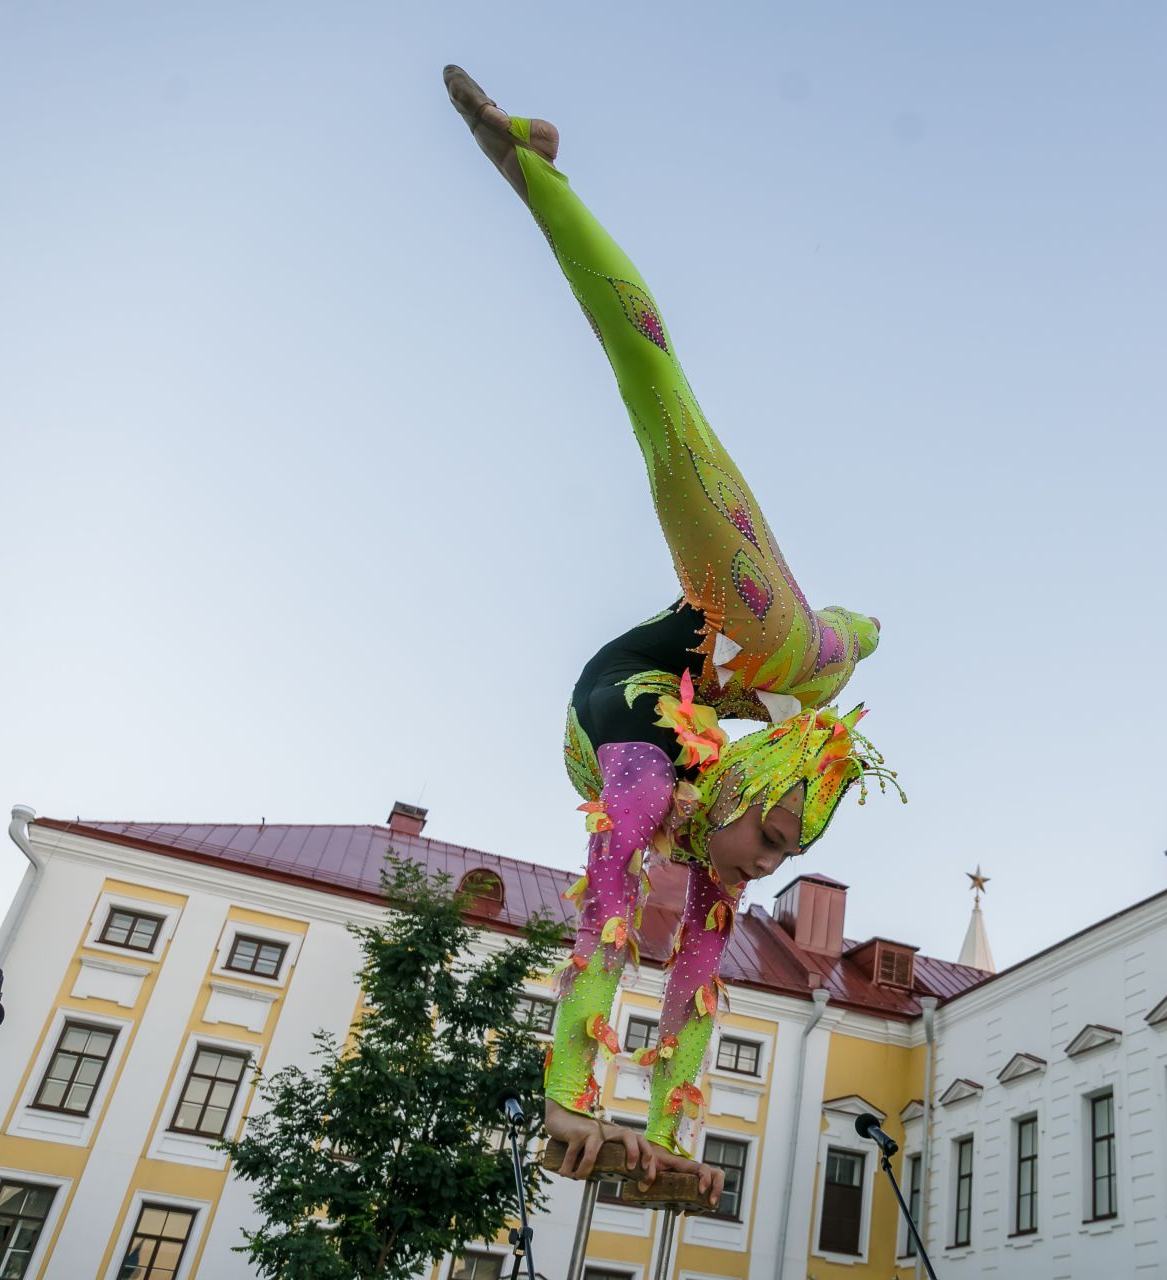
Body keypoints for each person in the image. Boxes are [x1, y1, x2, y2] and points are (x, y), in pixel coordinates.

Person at [443, 67, 900, 1204]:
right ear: (743, 792)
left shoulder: (706, 828)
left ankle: (855, 639)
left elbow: (696, 980)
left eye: (787, 852)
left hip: (690, 716)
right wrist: (567, 1096)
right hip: (739, 648)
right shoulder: (665, 766)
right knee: (657, 386)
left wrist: (669, 1137)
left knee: (796, 719)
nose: (774, 864)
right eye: (775, 838)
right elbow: (601, 929)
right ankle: (528, 164)